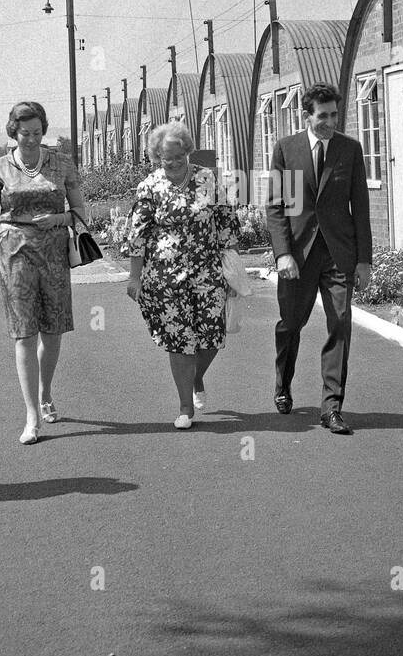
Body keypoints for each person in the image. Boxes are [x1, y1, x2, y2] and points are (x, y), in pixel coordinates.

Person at [265, 82, 372, 435]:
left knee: (340, 322)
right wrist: (283, 254)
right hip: (298, 255)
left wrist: (364, 260)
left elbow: (361, 207)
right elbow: (277, 207)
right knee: (291, 324)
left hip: (338, 254)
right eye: (322, 116)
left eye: (334, 115)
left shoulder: (350, 150)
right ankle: (283, 384)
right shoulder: (286, 150)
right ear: (306, 115)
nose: (329, 122)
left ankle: (331, 407)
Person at [0, 102, 87, 444]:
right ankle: (31, 415)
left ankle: (46, 392)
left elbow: (81, 212)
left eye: (38, 133)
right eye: (25, 133)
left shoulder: (62, 164)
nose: (31, 139)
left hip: (54, 254)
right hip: (14, 254)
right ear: (13, 132)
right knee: (24, 334)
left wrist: (59, 219)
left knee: (52, 332)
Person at [125, 121, 239, 430]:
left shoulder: (207, 179)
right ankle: (185, 405)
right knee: (179, 341)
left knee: (213, 337)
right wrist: (135, 278)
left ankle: (197, 376)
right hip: (166, 276)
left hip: (208, 270)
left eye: (178, 156)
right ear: (156, 157)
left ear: (188, 152)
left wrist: (232, 268)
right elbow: (139, 234)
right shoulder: (149, 186)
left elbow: (227, 223)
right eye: (166, 157)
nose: (173, 162)